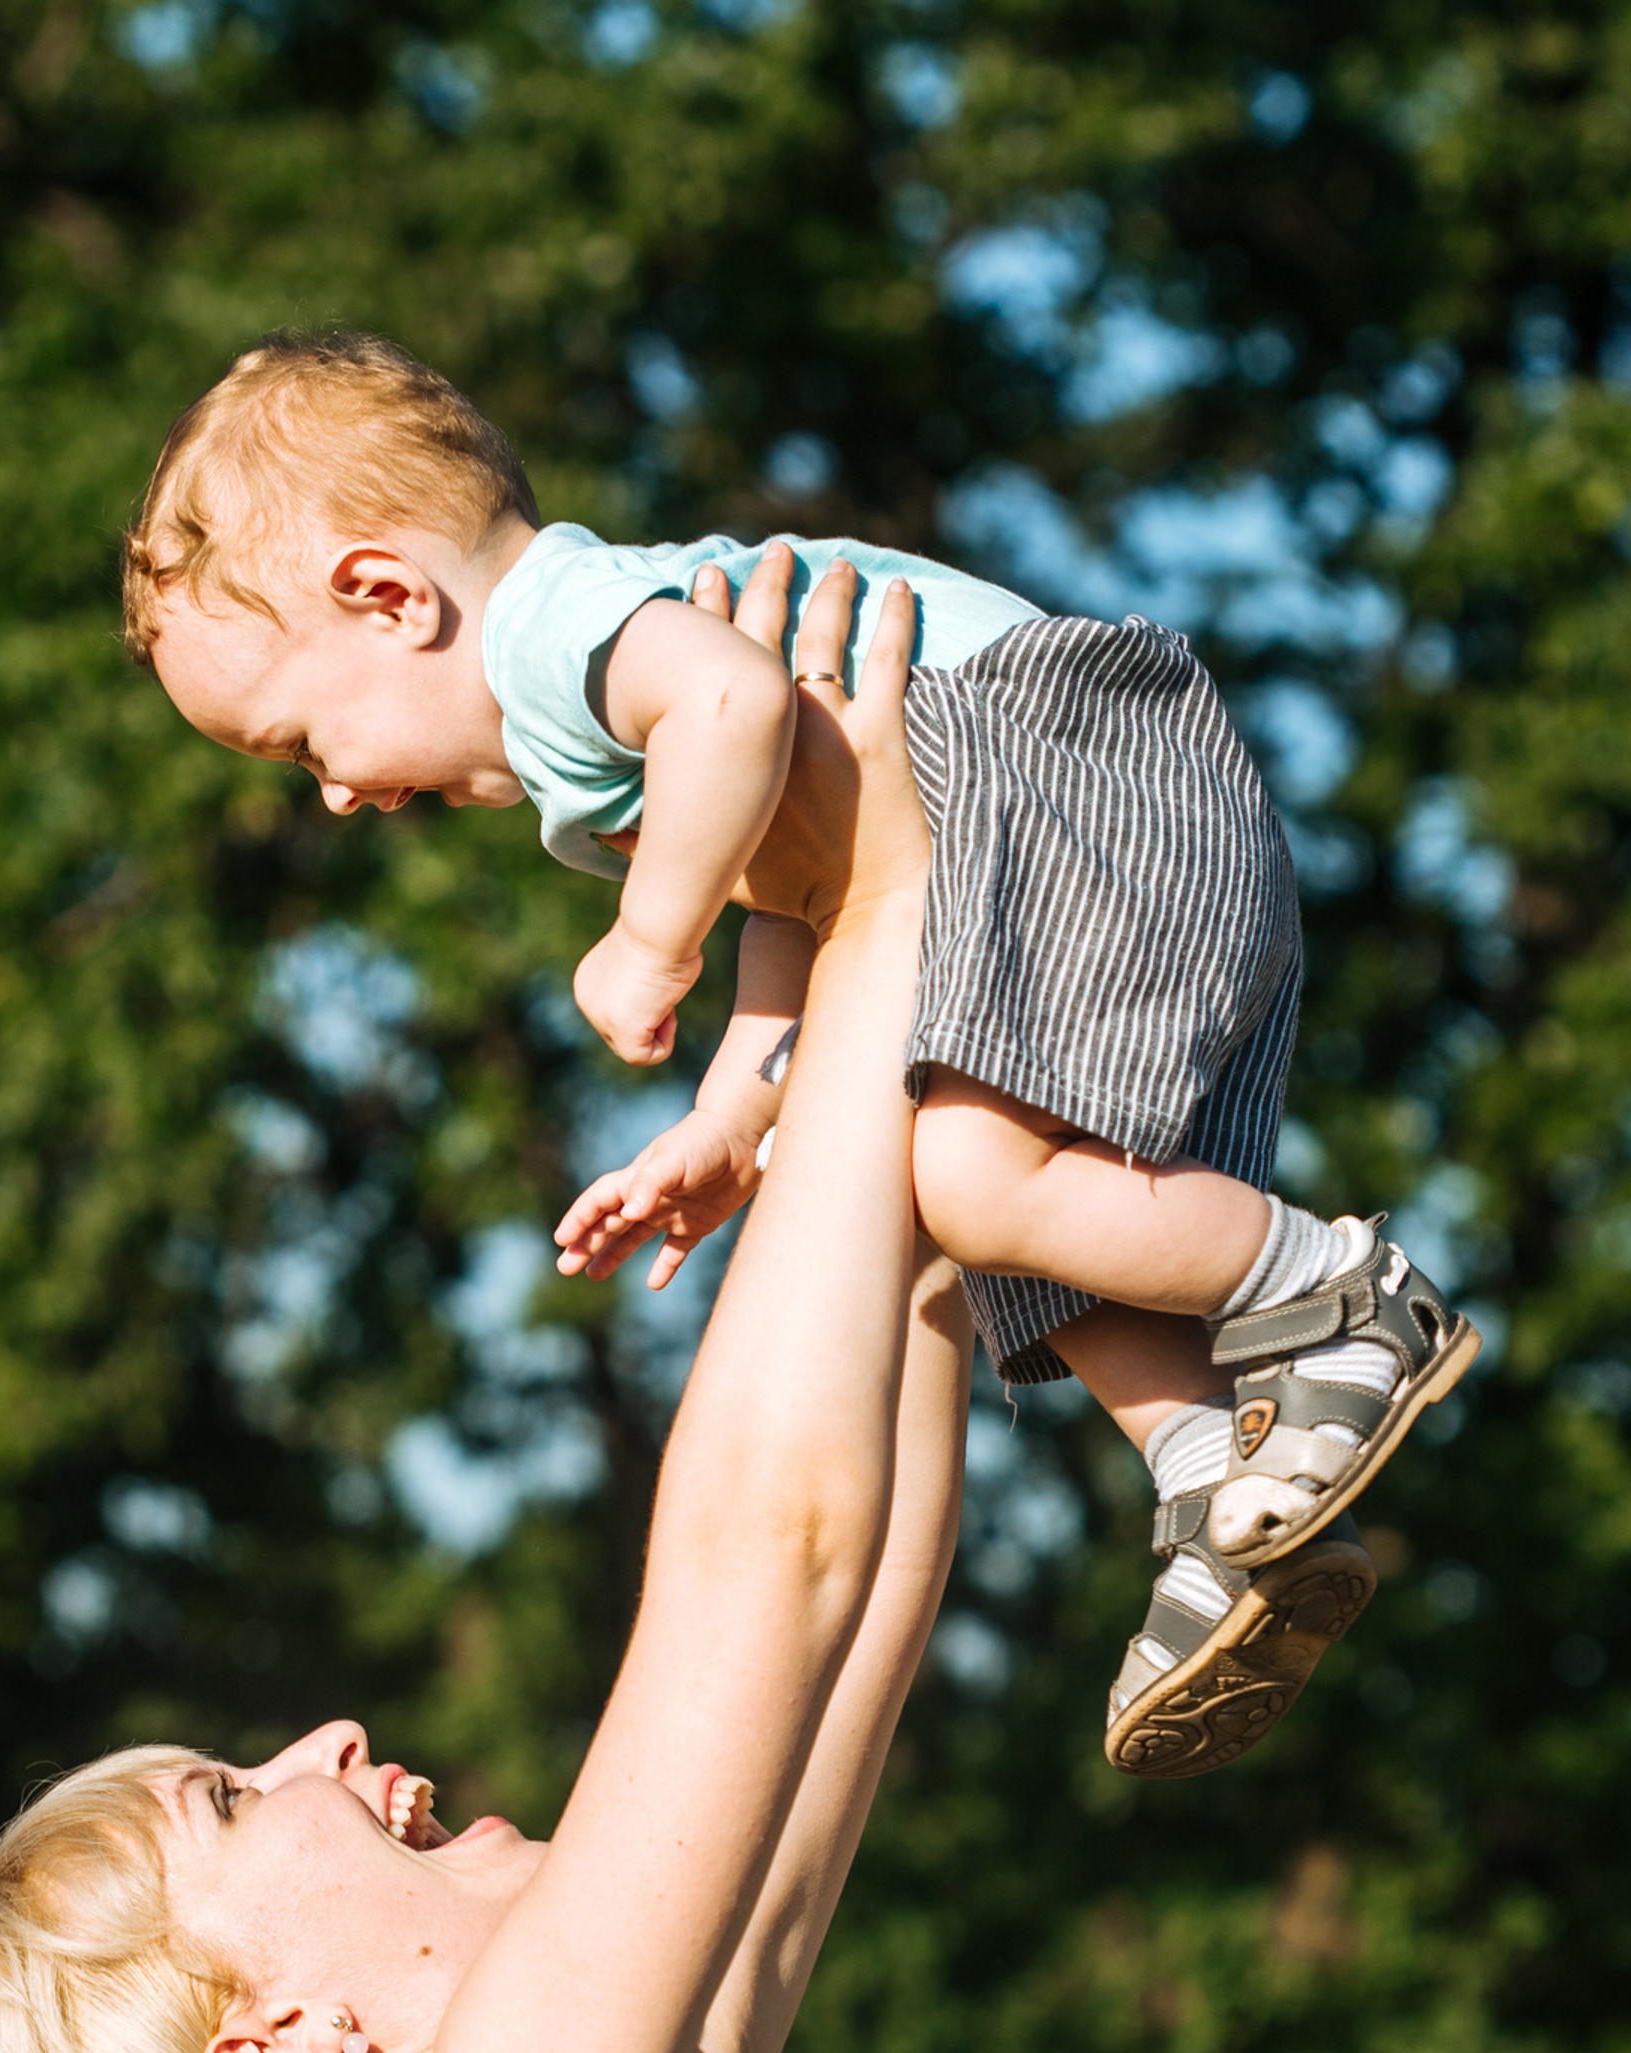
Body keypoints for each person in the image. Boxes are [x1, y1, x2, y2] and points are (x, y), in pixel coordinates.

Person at [0, 567, 1029, 2053]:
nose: (332, 1734)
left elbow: (846, 1627)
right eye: (237, 1794)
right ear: (267, 2037)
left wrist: (845, 966)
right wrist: (887, 927)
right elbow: (762, 1562)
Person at [125, 330, 1478, 1778]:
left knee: (968, 1172)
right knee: (944, 1178)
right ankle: (1213, 1469)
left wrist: (652, 938)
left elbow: (745, 711)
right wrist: (731, 1112)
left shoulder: (555, 626)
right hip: (1012, 817)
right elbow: (806, 882)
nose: (331, 794)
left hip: (1064, 760)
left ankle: (1339, 1295)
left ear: (387, 597)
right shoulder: (592, 708)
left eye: (297, 742)